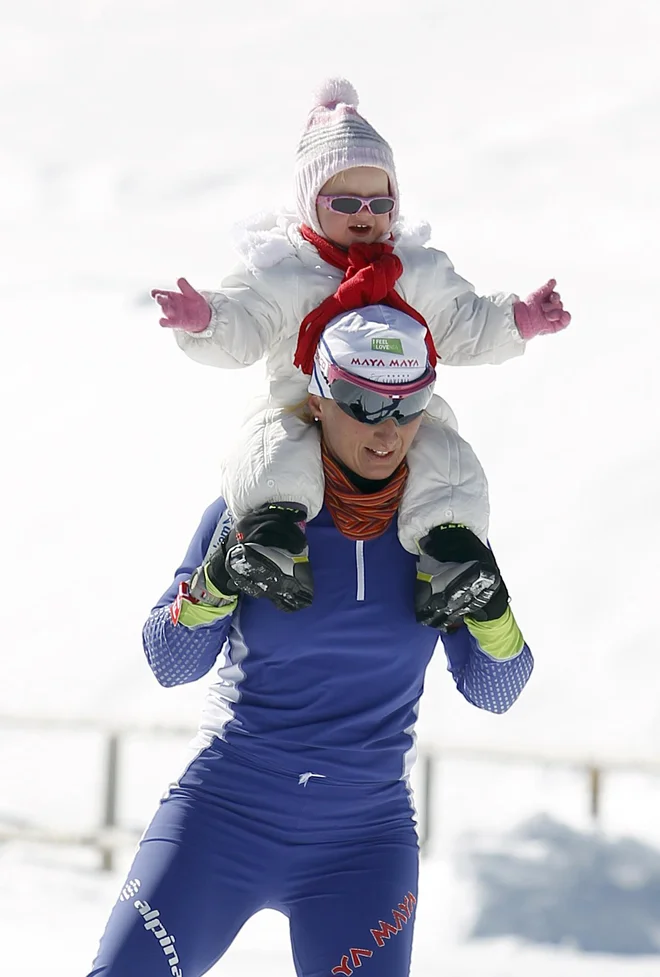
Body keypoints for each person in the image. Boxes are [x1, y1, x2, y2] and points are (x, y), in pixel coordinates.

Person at [86, 308, 534, 977]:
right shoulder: (255, 511)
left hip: (361, 843)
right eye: (362, 404)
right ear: (318, 401)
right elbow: (170, 660)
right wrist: (217, 579)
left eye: (408, 406)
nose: (387, 430)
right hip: (223, 816)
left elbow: (495, 689)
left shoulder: (442, 529)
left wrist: (494, 609)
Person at [152, 77, 571, 627]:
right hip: (302, 410)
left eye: (380, 201)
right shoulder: (286, 272)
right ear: (311, 203)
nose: (364, 213)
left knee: (444, 457)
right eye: (345, 201)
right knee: (271, 451)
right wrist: (208, 319)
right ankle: (273, 541)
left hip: (399, 409)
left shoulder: (414, 269)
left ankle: (450, 559)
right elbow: (247, 322)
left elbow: (463, 321)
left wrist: (519, 319)